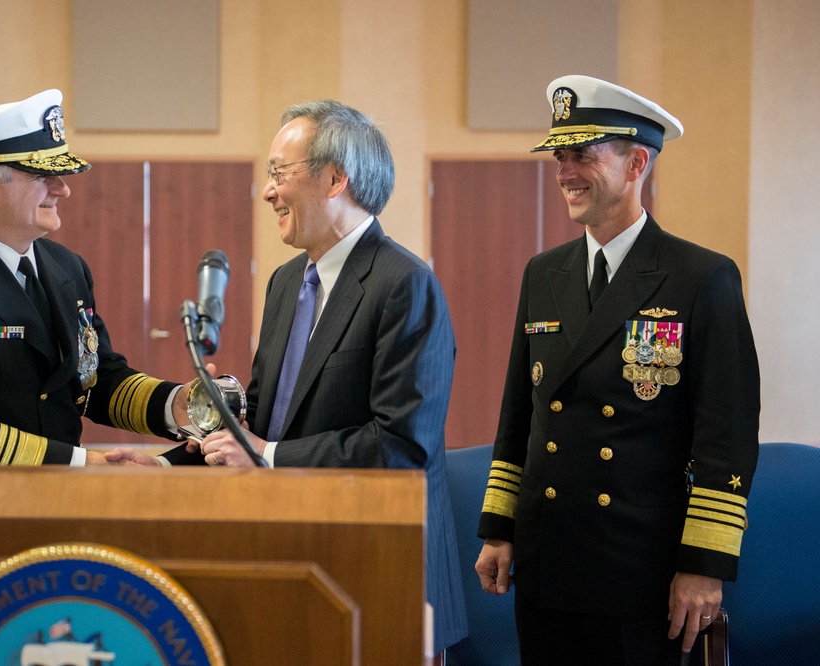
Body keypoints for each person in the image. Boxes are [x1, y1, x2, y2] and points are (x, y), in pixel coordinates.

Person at [108, 99, 468, 654]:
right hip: (298, 564)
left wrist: (266, 455)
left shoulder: (403, 284)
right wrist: (164, 467)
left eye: (279, 173)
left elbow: (401, 446)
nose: (268, 191)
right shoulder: (284, 284)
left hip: (381, 574)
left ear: (334, 179)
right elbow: (255, 420)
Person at [474, 75, 760, 664]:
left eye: (583, 154)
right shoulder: (543, 273)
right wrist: (500, 527)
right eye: (559, 155)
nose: (565, 170)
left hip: (641, 570)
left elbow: (725, 437)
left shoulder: (700, 277)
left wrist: (703, 567)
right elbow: (518, 415)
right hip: (548, 558)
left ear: (636, 162)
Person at [0, 89, 203, 466]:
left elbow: (94, 380)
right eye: (43, 176)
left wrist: (173, 404)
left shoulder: (67, 267)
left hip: (62, 504)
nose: (63, 189)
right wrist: (81, 465)